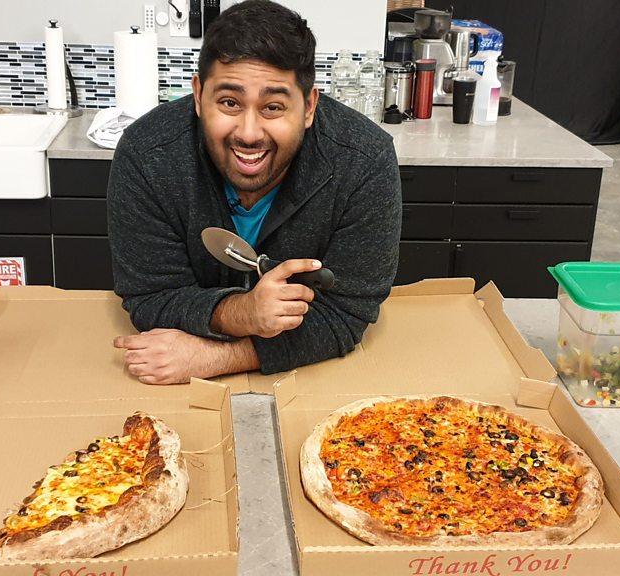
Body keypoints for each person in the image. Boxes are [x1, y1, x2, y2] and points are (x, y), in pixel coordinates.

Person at [109, 0, 401, 384]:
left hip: (319, 383)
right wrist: (244, 312)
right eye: (229, 102)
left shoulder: (364, 161)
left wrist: (215, 357)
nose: (248, 133)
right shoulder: (146, 156)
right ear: (198, 96)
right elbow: (151, 296)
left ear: (309, 106)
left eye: (273, 107)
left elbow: (347, 313)